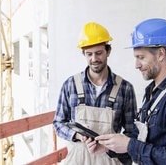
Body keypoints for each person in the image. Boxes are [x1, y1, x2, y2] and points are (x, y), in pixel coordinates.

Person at [89, 18, 166, 165]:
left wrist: (130, 145)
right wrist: (110, 147)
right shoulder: (152, 91)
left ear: (161, 54)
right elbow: (141, 143)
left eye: (141, 57)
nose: (136, 65)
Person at [53, 22, 138, 164]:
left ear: (108, 51)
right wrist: (78, 135)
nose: (94, 59)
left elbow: (132, 133)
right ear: (83, 54)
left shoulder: (125, 88)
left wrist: (110, 146)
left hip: (110, 159)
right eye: (89, 54)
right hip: (78, 159)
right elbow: (58, 123)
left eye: (99, 53)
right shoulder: (70, 85)